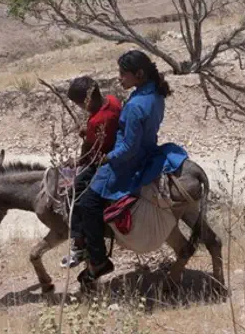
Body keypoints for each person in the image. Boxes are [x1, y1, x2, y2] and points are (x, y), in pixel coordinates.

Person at [74, 50, 174, 284]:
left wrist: (105, 158)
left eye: (123, 74)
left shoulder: (136, 105)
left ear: (139, 74)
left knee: (87, 203)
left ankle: (98, 260)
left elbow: (128, 147)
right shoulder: (154, 95)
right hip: (148, 151)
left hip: (128, 162)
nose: (119, 78)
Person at [60, 76, 122, 268]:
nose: (80, 108)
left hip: (104, 162)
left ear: (88, 100)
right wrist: (87, 133)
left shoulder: (98, 120)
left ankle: (83, 245)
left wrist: (76, 161)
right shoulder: (112, 101)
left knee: (74, 195)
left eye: (80, 104)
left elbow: (92, 155)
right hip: (108, 152)